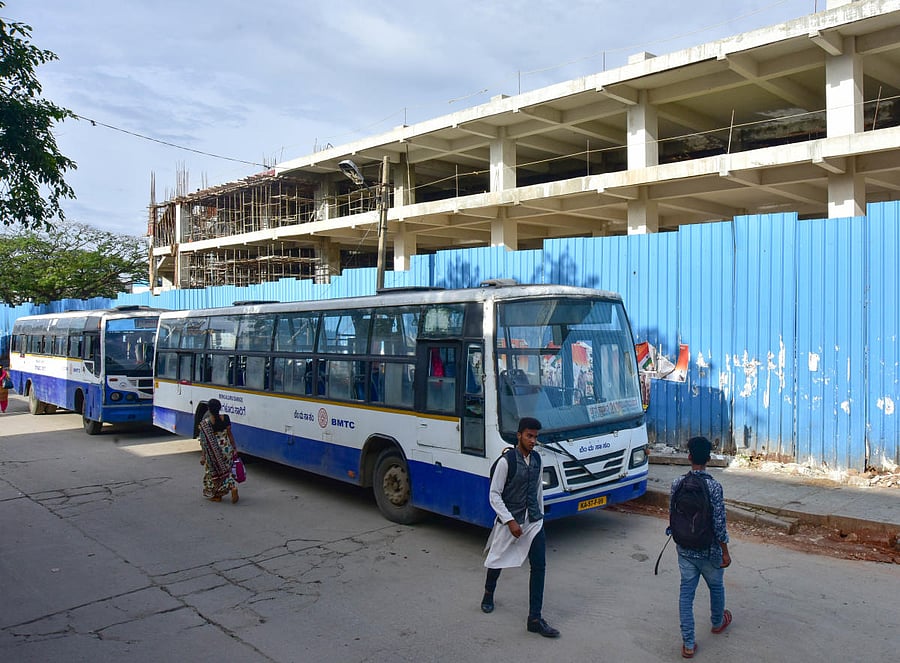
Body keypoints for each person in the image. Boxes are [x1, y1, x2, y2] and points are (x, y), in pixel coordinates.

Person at [480, 416, 560, 638]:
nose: (533, 441)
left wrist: (539, 517)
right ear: (519, 435)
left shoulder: (537, 460)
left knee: (539, 566)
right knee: (497, 558)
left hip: (534, 521)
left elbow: (537, 492)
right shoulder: (507, 462)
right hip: (510, 520)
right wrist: (510, 521)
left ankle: (535, 618)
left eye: (536, 437)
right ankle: (489, 593)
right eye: (529, 436)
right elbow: (494, 495)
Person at [669, 436, 732, 659]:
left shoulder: (677, 484)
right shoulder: (714, 487)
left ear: (688, 457)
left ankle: (688, 644)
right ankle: (717, 622)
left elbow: (672, 517)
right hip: (709, 550)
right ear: (709, 458)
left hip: (685, 549)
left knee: (686, 595)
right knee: (716, 586)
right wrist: (725, 551)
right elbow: (719, 524)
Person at [198, 398, 240, 503]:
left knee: (213, 474)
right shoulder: (225, 418)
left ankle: (217, 495)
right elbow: (230, 434)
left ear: (209, 409)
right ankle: (232, 487)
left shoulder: (206, 423)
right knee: (226, 471)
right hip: (226, 449)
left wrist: (203, 456)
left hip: (214, 452)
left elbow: (205, 443)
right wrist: (234, 448)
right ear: (220, 407)